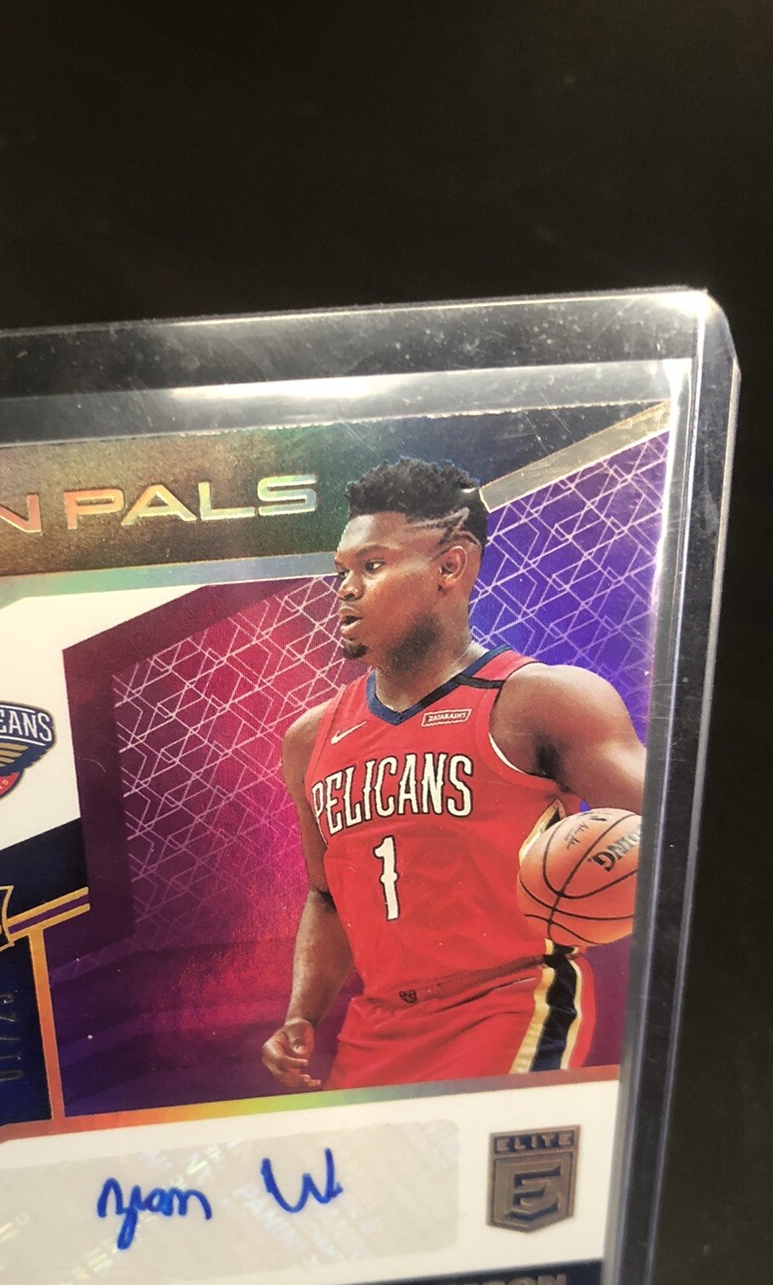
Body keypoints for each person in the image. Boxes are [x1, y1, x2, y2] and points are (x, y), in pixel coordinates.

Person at [262, 458, 646, 1092]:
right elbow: (326, 898)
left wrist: (607, 878)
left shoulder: (539, 701)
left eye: (372, 566)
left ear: (450, 567)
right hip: (378, 1027)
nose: (346, 589)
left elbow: (681, 836)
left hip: (510, 1003)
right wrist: (301, 1015)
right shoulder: (310, 739)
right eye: (342, 571)